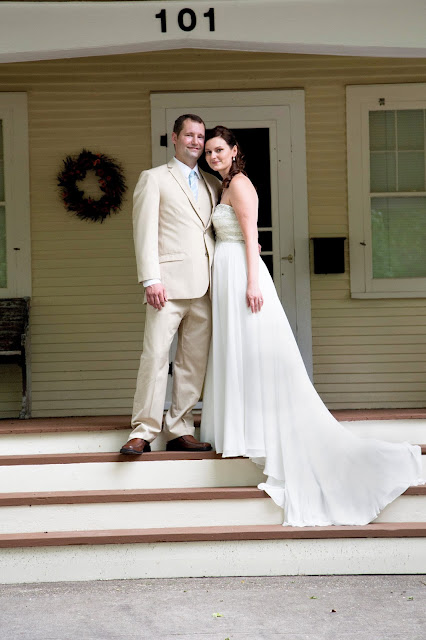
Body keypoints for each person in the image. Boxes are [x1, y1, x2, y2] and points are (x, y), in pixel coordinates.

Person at [200, 125, 424, 527]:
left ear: (234, 151)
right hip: (229, 274)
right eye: (209, 151)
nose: (213, 156)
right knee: (242, 354)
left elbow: (252, 239)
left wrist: (252, 282)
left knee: (255, 351)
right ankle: (248, 426)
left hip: (243, 276)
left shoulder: (240, 186)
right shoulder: (223, 186)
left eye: (220, 149)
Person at [120, 114, 221, 455]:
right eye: (189, 135)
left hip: (205, 287)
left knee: (193, 361)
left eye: (200, 136)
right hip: (166, 287)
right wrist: (151, 278)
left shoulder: (212, 184)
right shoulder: (153, 179)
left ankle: (180, 428)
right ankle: (144, 430)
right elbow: (144, 231)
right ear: (175, 138)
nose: (195, 141)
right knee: (155, 356)